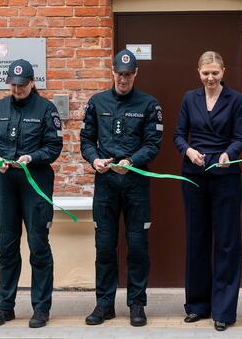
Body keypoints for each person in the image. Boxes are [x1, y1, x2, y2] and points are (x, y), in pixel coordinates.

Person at [80, 49, 163, 327]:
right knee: (104, 246)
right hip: (105, 183)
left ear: (135, 74)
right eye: (119, 74)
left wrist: (132, 161)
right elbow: (86, 139)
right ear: (112, 72)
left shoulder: (149, 104)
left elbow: (153, 144)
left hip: (135, 183)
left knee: (138, 246)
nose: (123, 79)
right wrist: (94, 159)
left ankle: (137, 303)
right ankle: (104, 304)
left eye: (128, 75)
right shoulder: (97, 102)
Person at [0, 59, 64, 329]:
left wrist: (32, 156)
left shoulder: (46, 109)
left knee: (38, 247)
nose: (17, 90)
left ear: (32, 82)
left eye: (22, 85)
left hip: (34, 185)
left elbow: (54, 146)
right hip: (6, 186)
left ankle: (41, 308)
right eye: (13, 85)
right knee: (6, 247)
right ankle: (5, 306)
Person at [173, 51, 242, 332]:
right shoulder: (189, 98)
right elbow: (179, 135)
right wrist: (189, 151)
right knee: (197, 238)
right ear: (198, 73)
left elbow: (240, 137)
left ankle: (224, 310)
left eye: (215, 72)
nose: (211, 78)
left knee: (227, 243)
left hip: (226, 176)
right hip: (194, 175)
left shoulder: (237, 100)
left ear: (223, 71)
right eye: (206, 73)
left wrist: (229, 153)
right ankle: (197, 305)